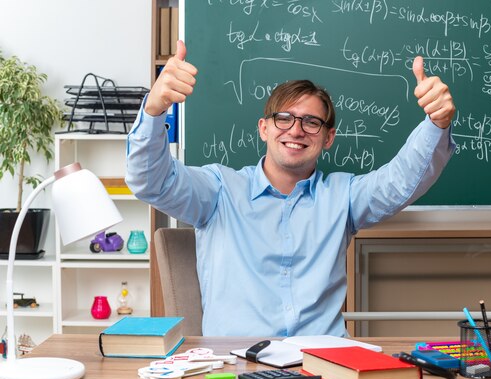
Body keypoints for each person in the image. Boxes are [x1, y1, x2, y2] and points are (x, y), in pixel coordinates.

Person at [126, 40, 456, 337]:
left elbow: (399, 181)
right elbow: (150, 181)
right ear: (264, 128)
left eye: (311, 122)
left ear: (328, 138)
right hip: (237, 366)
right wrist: (154, 111)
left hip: (323, 366)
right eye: (285, 118)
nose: (296, 131)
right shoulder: (218, 190)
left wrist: (436, 123)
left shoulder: (344, 196)